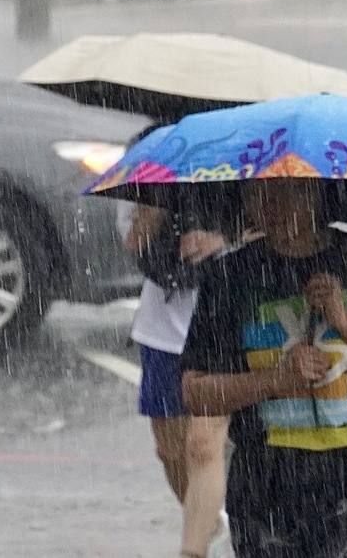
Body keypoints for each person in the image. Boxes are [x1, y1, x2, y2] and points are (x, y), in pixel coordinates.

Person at [181, 180, 347, 558]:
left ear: (315, 190)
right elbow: (194, 392)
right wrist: (275, 380)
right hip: (265, 493)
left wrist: (345, 321)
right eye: (255, 192)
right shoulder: (230, 277)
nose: (265, 203)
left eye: (283, 189)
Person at [117, 201, 247, 558]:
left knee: (204, 445)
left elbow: (278, 225)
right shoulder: (151, 159)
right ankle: (213, 527)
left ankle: (196, 548)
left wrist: (224, 239)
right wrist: (154, 209)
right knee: (171, 450)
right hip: (164, 328)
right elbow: (133, 240)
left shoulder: (245, 154)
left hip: (227, 319)